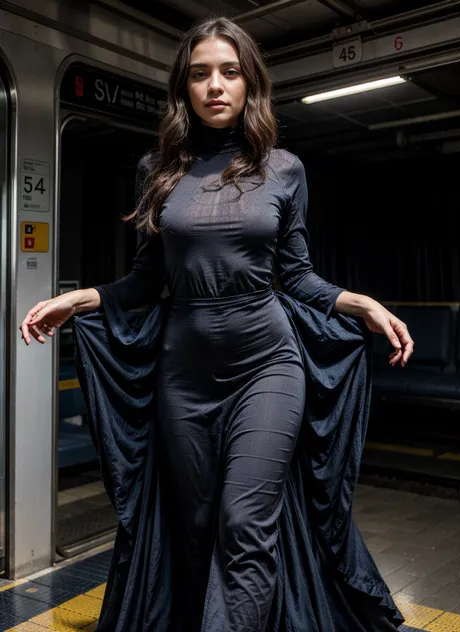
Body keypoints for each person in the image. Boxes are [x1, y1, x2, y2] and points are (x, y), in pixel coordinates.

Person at [21, 15, 413, 632]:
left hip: (268, 365)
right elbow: (147, 280)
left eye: (230, 72)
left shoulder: (283, 170)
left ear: (250, 83)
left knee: (244, 524)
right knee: (197, 525)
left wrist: (359, 302)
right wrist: (84, 298)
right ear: (184, 90)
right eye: (200, 74)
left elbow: (299, 277)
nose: (215, 86)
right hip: (183, 376)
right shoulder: (159, 171)